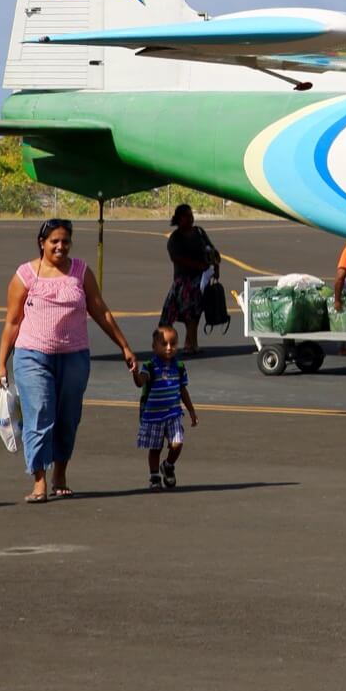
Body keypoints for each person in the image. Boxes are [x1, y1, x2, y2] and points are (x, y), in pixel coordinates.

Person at [0, 218, 139, 502]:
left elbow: (101, 312)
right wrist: (1, 363)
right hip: (32, 356)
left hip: (74, 356)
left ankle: (60, 473)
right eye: (54, 241)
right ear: (42, 243)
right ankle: (39, 479)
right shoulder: (25, 275)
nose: (60, 246)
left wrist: (125, 346)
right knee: (40, 412)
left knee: (68, 417)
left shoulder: (80, 272)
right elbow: (12, 322)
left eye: (65, 241)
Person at [135, 322, 198, 490]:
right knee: (155, 448)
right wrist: (134, 372)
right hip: (154, 415)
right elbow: (140, 382)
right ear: (154, 346)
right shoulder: (150, 366)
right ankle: (154, 476)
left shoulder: (179, 367)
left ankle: (168, 465)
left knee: (177, 443)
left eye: (173, 344)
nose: (169, 348)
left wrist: (191, 410)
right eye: (164, 344)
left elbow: (183, 389)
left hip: (173, 414)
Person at [163, 204, 218, 356]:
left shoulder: (199, 232)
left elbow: (211, 249)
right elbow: (175, 258)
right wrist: (197, 265)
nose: (191, 218)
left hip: (200, 279)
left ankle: (191, 344)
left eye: (191, 215)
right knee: (183, 315)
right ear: (179, 219)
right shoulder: (175, 238)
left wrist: (215, 266)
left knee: (195, 313)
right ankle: (181, 344)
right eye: (187, 216)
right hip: (183, 282)